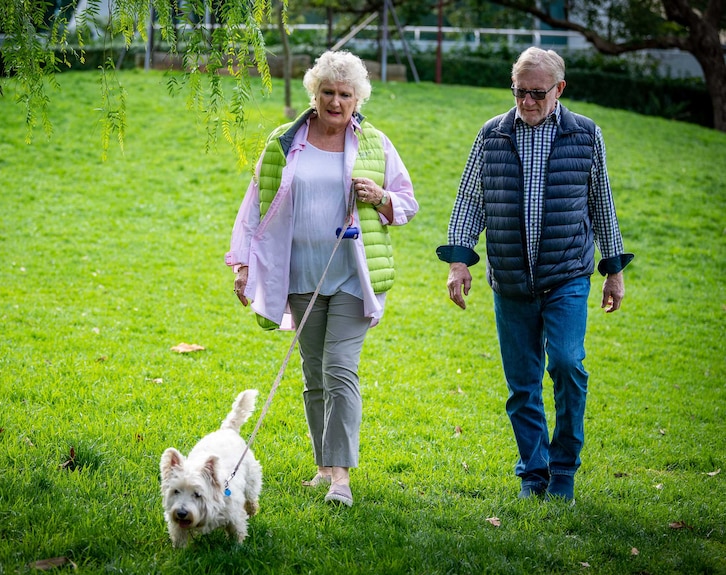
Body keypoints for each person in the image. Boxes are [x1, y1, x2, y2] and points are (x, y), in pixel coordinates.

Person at [436, 47, 633, 502]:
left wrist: (614, 270)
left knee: (567, 363)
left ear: (559, 90)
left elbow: (601, 202)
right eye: (519, 91)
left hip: (567, 275)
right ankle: (534, 474)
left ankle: (563, 468)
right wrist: (459, 260)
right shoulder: (492, 135)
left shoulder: (585, 135)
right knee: (522, 385)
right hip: (510, 280)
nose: (526, 101)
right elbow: (469, 199)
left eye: (536, 93)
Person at [226, 50, 419, 507]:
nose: (335, 101)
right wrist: (243, 265)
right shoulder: (284, 141)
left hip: (354, 275)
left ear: (357, 98)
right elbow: (256, 204)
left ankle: (342, 479)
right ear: (315, 93)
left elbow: (407, 202)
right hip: (301, 276)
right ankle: (322, 467)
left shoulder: (373, 143)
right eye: (328, 92)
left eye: (345, 94)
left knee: (339, 370)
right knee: (314, 377)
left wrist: (381, 196)